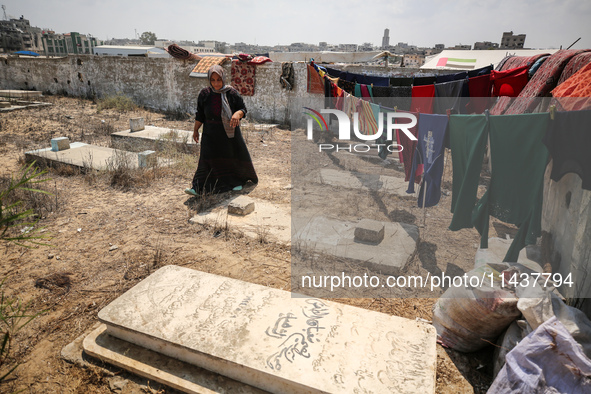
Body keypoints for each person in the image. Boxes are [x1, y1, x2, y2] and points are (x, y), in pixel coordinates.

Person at [185, 65, 258, 195]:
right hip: (210, 133)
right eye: (213, 80)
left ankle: (236, 182)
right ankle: (198, 188)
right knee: (206, 158)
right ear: (209, 80)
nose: (216, 83)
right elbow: (200, 114)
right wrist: (196, 130)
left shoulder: (232, 93)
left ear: (223, 78)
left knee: (230, 157)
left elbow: (243, 109)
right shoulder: (204, 94)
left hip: (228, 133)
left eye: (219, 79)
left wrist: (237, 114)